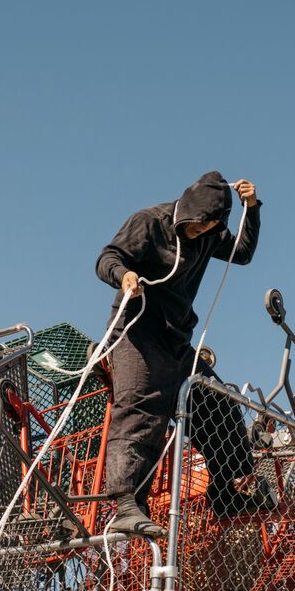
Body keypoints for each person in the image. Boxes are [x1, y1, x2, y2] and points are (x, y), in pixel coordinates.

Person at [95, 170, 266, 538]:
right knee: (144, 403)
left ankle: (224, 493)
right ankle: (126, 503)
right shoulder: (150, 222)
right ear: (187, 211)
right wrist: (123, 275)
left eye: (208, 228)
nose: (201, 233)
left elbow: (243, 253)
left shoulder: (210, 234)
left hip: (176, 339)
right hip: (137, 330)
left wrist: (251, 209)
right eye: (197, 225)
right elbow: (107, 257)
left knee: (217, 404)